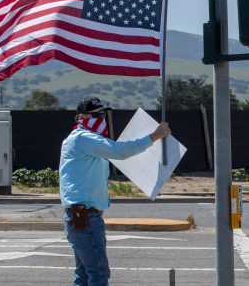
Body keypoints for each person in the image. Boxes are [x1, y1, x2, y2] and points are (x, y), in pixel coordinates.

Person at [59, 96, 171, 286]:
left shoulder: (83, 140)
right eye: (95, 115)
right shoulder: (84, 138)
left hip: (80, 215)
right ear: (81, 117)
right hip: (85, 216)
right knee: (98, 274)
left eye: (102, 114)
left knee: (85, 274)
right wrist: (154, 136)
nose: (101, 117)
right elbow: (119, 151)